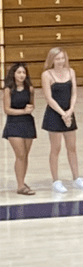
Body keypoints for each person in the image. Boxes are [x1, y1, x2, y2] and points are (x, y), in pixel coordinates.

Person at [41, 47, 83, 192]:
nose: (60, 61)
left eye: (62, 58)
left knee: (72, 148)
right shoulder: (46, 74)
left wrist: (70, 111)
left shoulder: (71, 72)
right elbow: (49, 98)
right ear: (52, 60)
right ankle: (56, 180)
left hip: (69, 112)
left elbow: (74, 93)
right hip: (55, 113)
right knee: (55, 148)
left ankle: (76, 178)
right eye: (57, 58)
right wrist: (63, 113)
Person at [3, 62, 37, 195]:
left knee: (25, 156)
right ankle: (20, 186)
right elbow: (7, 109)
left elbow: (31, 105)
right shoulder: (8, 90)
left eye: (24, 73)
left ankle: (22, 181)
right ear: (14, 74)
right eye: (19, 72)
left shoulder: (30, 89)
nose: (22, 75)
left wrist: (29, 109)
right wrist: (23, 111)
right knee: (20, 154)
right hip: (14, 123)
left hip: (27, 123)